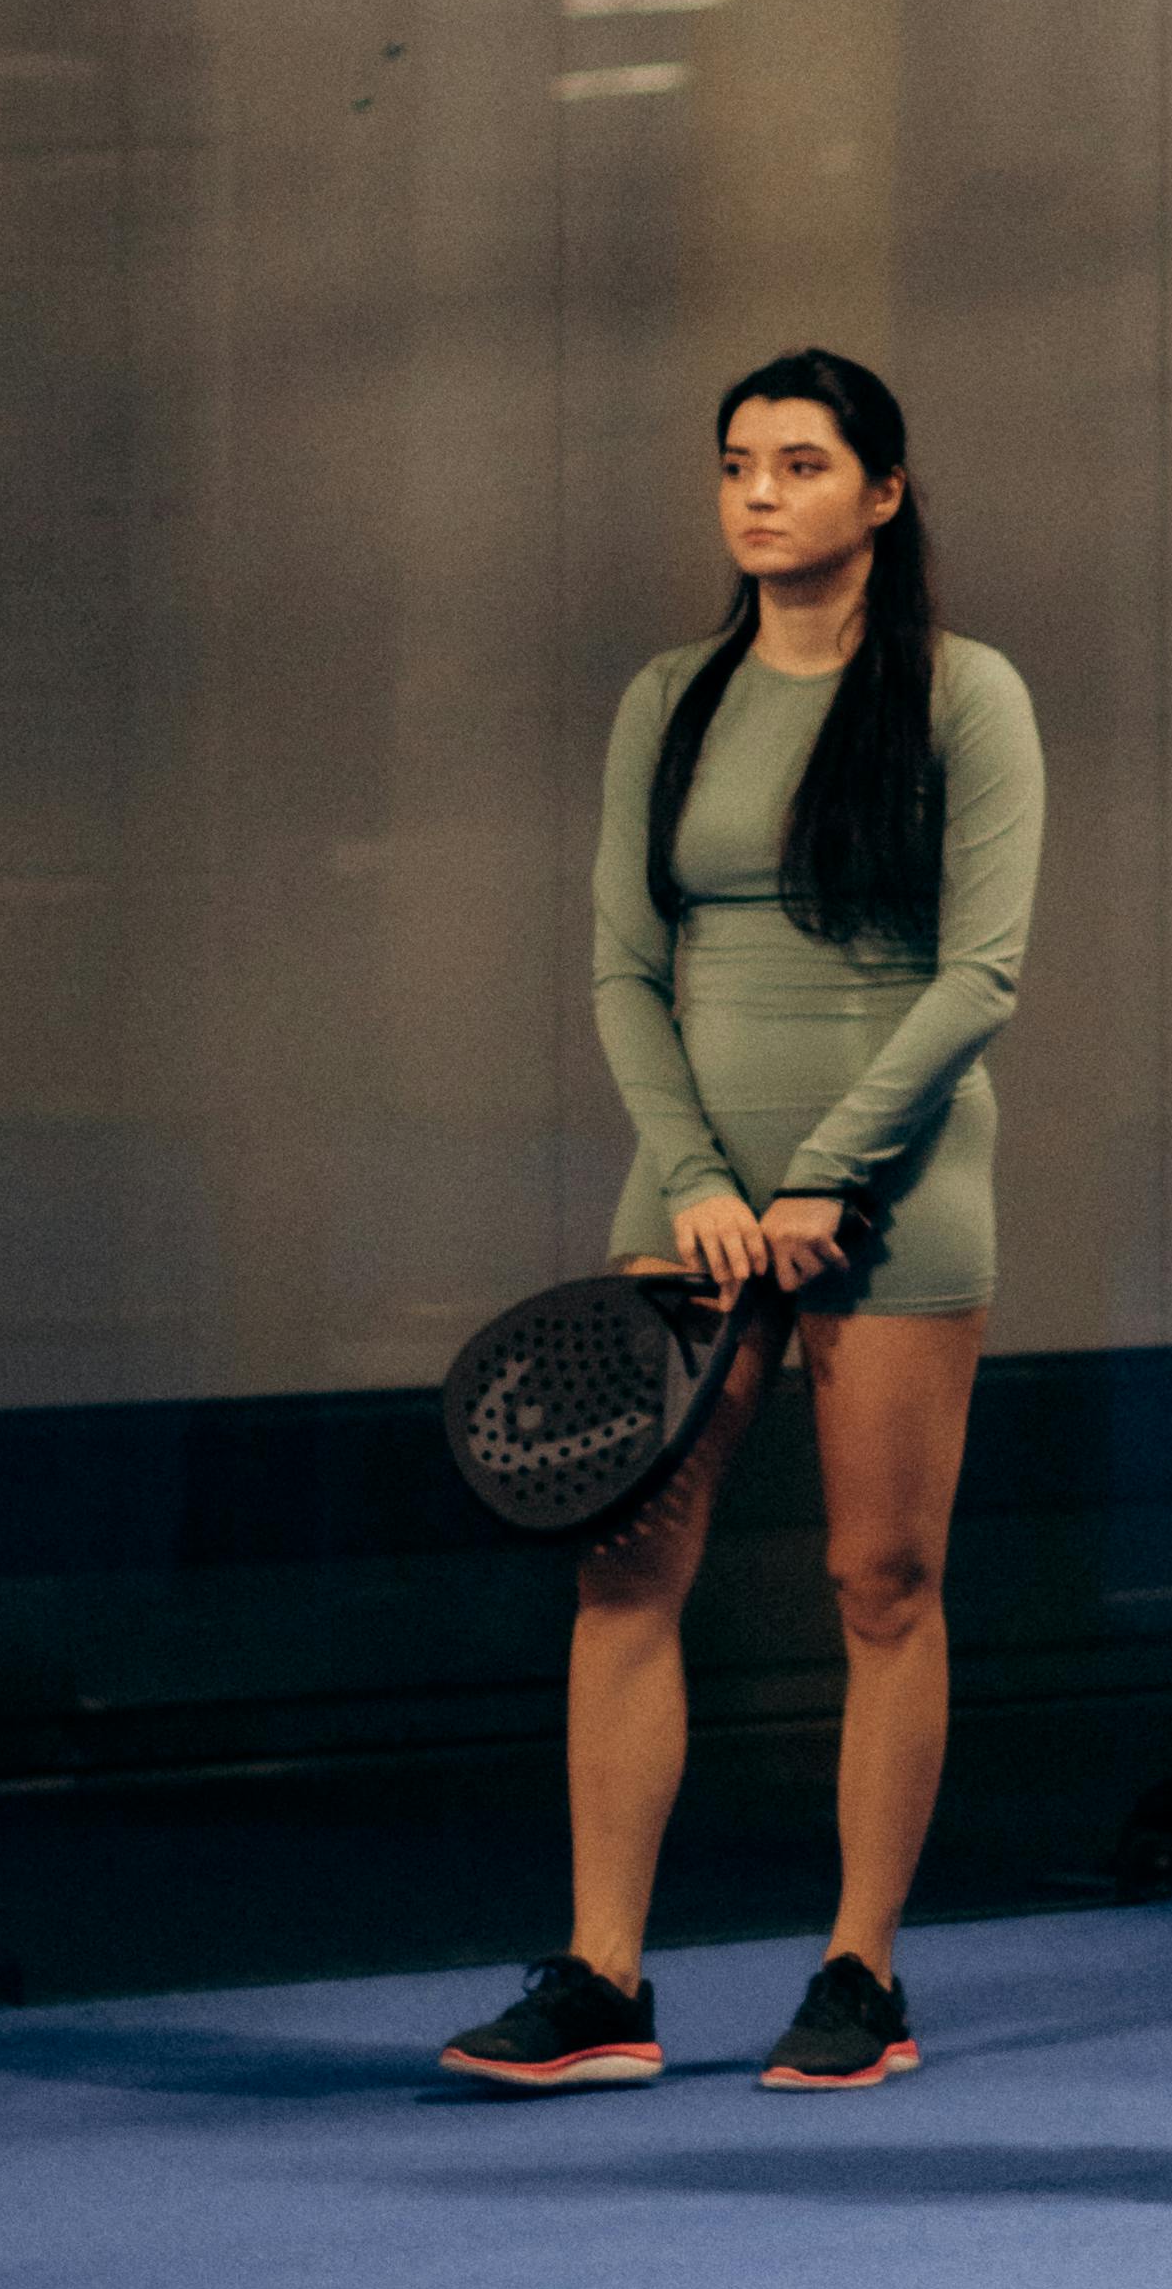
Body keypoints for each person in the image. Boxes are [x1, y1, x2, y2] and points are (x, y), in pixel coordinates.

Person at [444, 351, 1042, 2098]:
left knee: (882, 1579)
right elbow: (629, 971)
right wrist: (703, 1184)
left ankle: (861, 1972)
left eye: (799, 462)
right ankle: (604, 1980)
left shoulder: (964, 696)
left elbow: (980, 974)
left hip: (897, 1190)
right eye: (734, 465)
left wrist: (824, 1181)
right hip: (694, 1198)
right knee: (622, 1570)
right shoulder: (672, 698)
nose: (758, 493)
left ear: (884, 493)